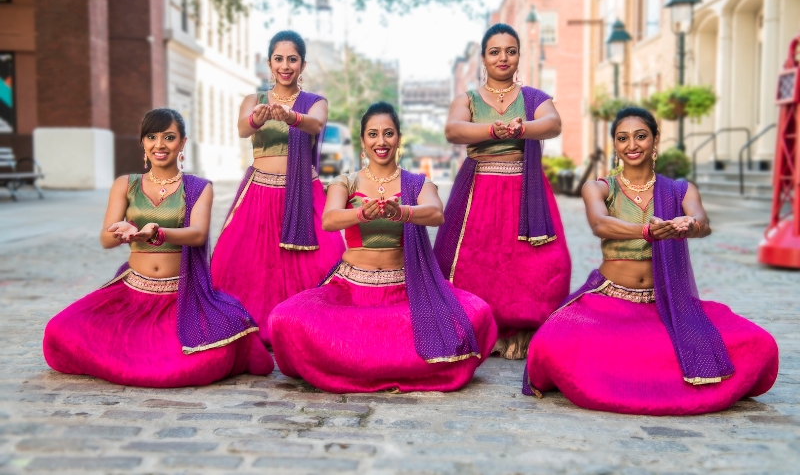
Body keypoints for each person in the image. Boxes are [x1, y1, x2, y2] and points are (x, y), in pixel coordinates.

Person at [524, 107, 779, 415]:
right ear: (615, 146)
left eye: (641, 136)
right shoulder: (600, 187)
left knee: (758, 343)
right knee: (551, 342)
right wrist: (647, 231)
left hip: (665, 303)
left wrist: (689, 226)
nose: (632, 145)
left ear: (655, 141)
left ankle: (638, 376)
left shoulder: (679, 190)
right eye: (623, 138)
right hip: (609, 299)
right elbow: (600, 225)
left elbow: (702, 222)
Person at [268, 102, 497, 393]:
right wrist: (363, 213)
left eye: (388, 133)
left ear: (398, 138)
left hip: (405, 288)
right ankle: (383, 360)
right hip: (350, 290)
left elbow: (436, 213)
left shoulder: (416, 183)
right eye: (373, 134)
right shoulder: (347, 181)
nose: (381, 141)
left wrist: (401, 212)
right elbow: (329, 219)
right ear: (363, 141)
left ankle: (357, 361)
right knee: (285, 318)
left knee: (479, 312)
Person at [43, 109, 273, 387]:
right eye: (151, 137)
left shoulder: (198, 187)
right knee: (59, 330)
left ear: (182, 143)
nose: (159, 145)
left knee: (185, 361)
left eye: (169, 137)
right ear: (143, 142)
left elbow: (198, 235)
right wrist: (123, 233)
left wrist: (158, 233)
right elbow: (105, 239)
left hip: (179, 294)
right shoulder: (126, 185)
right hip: (133, 293)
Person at [434, 23, 571, 360]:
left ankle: (521, 329)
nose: (503, 57)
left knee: (537, 263)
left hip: (526, 193)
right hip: (479, 191)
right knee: (475, 262)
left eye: (510, 51)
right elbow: (454, 129)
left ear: (518, 56)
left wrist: (523, 127)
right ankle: (479, 327)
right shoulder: (468, 99)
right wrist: (492, 130)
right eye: (495, 51)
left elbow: (553, 124)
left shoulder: (533, 98)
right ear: (484, 58)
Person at [211, 30, 345, 344]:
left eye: (292, 59)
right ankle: (255, 325)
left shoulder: (315, 102)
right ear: (270, 63)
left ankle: (304, 326)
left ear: (302, 64)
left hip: (302, 193)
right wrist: (258, 118)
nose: (285, 66)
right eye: (279, 59)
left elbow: (315, 124)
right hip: (258, 192)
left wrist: (291, 116)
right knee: (247, 265)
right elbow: (243, 129)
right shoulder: (253, 100)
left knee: (321, 260)